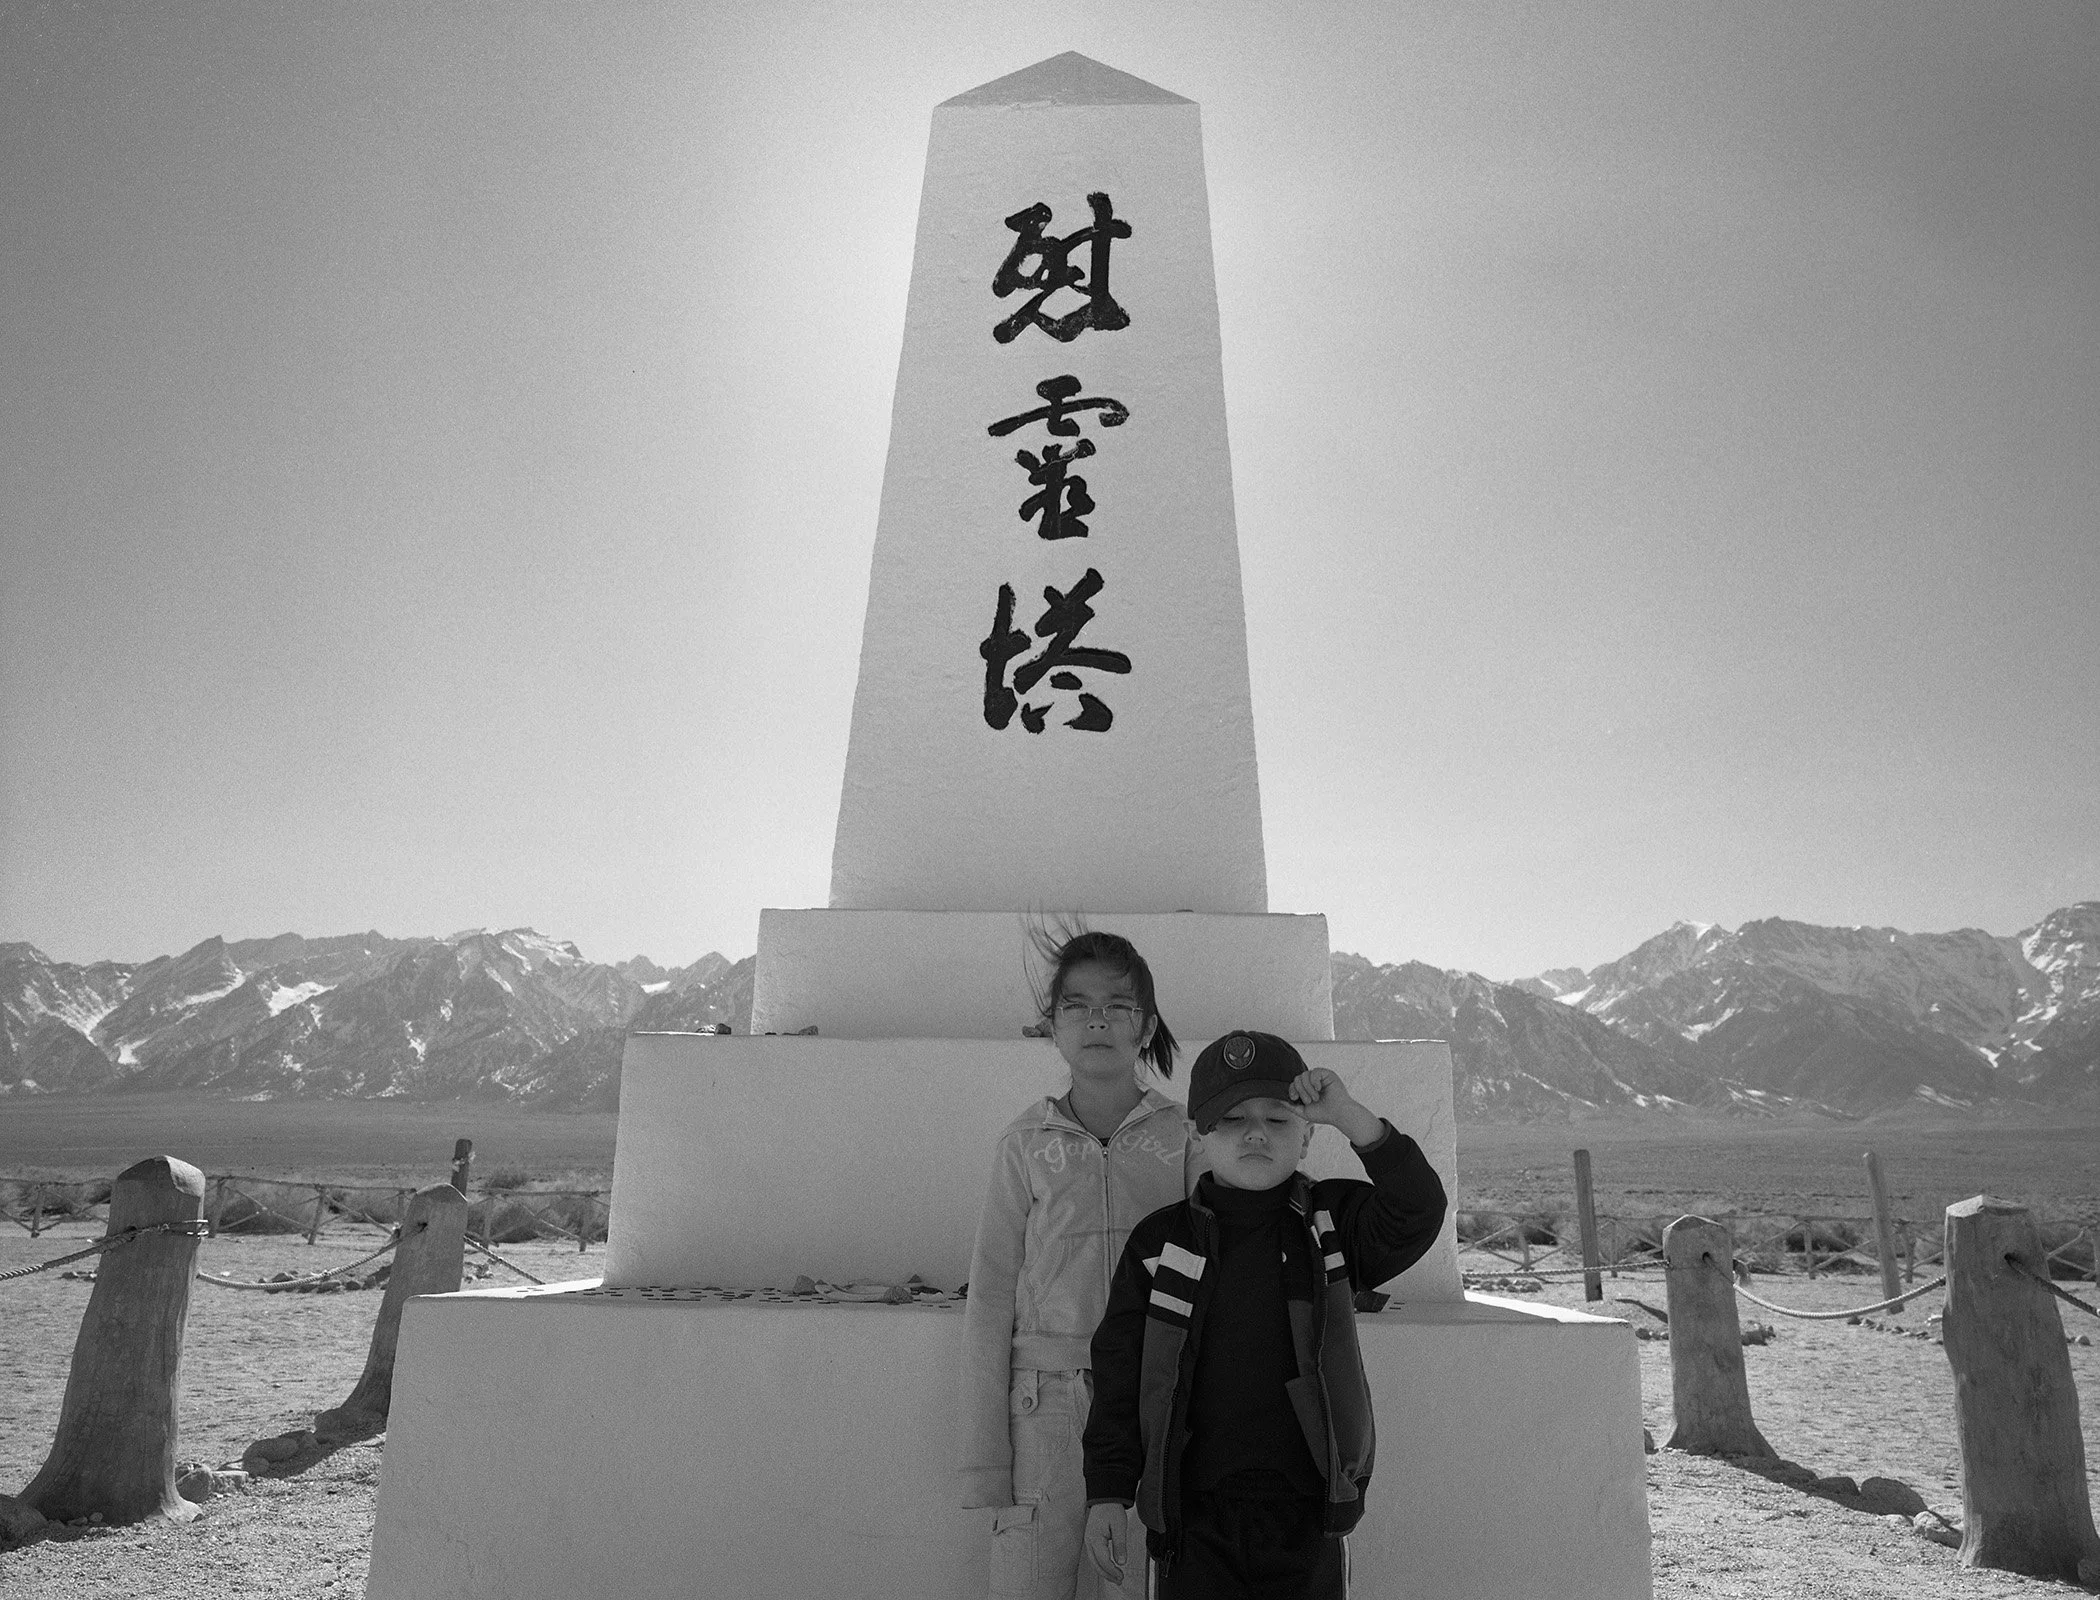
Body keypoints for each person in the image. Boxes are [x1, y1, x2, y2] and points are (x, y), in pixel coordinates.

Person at [1080, 1030, 1448, 1599]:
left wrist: (1348, 1115)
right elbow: (1119, 1371)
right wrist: (1108, 1491)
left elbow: (1418, 1209)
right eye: (1232, 1119)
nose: (1256, 1132)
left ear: (1307, 1138)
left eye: (1278, 1118)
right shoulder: (1160, 1243)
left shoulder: (1331, 1224)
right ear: (1197, 1134)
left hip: (1309, 1513)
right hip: (1191, 1517)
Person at [960, 930, 1189, 1600]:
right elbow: (991, 1299)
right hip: (1046, 1406)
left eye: (1118, 1005)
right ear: (1052, 1026)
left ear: (1146, 1026)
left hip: (1154, 1400)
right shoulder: (1024, 1145)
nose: (1097, 1020)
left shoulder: (1185, 1140)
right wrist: (985, 1459)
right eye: (1077, 1005)